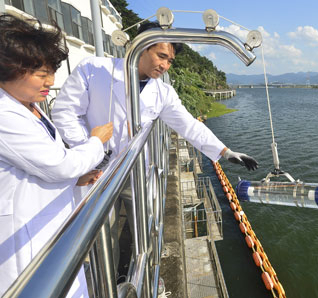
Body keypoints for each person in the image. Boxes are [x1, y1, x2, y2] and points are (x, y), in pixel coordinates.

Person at [51, 21, 258, 273]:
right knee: (102, 238)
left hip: (136, 171)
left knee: (144, 229)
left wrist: (225, 152)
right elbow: (64, 112)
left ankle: (145, 276)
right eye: (161, 56)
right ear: (140, 47)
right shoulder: (94, 69)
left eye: (170, 61)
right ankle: (109, 280)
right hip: (96, 170)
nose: (165, 65)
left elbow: (189, 126)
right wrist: (90, 149)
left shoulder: (163, 92)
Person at [0, 15, 113, 296]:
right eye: (41, 74)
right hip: (25, 238)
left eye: (51, 72)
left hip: (48, 223)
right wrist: (96, 141)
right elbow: (59, 165)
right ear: (9, 69)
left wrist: (74, 181)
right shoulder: (4, 115)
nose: (50, 81)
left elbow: (34, 167)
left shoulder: (28, 106)